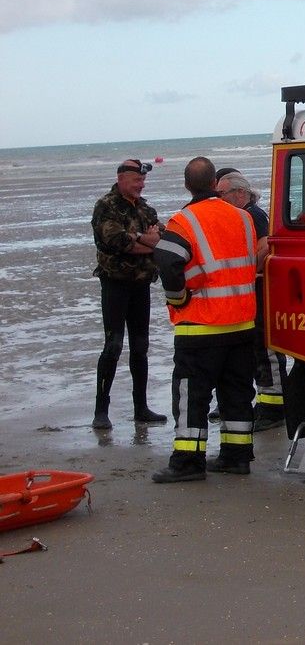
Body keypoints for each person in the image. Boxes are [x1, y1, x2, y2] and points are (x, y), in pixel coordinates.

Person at [151, 157, 258, 483]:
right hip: (242, 324)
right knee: (237, 394)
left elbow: (167, 260)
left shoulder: (183, 221)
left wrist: (178, 298)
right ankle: (236, 457)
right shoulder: (243, 218)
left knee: (191, 395)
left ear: (187, 185)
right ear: (215, 184)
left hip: (201, 326)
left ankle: (187, 462)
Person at [90, 159, 169, 429]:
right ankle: (101, 410)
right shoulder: (106, 206)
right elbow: (118, 242)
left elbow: (163, 237)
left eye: (143, 181)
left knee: (140, 347)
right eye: (137, 180)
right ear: (122, 178)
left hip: (141, 285)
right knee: (113, 345)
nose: (141, 185)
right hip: (115, 284)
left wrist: (138, 238)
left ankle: (141, 408)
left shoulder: (146, 208)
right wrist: (141, 239)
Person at [216, 169, 286, 431]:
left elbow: (265, 245)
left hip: (259, 287)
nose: (219, 199)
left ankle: (274, 407)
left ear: (240, 193)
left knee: (265, 346)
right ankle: (267, 402)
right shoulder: (244, 214)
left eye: (222, 194)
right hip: (252, 287)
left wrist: (243, 272)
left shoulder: (253, 214)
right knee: (257, 348)